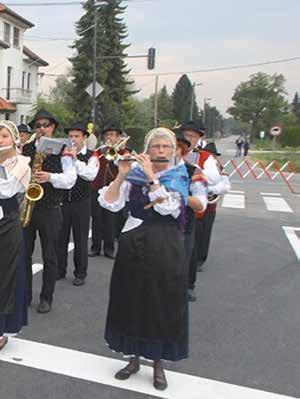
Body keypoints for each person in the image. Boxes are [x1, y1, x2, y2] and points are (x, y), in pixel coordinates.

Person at [98, 127, 190, 391]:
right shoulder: (134, 175)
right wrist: (122, 175)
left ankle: (158, 363)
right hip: (133, 243)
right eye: (155, 147)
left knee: (160, 303)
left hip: (165, 246)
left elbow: (169, 208)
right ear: (147, 150)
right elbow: (110, 202)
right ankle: (132, 358)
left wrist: (151, 176)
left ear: (173, 151)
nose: (160, 152)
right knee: (131, 300)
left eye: (165, 148)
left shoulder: (178, 175)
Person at [22, 109, 77, 314]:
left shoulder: (64, 149)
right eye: (38, 125)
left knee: (50, 255)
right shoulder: (26, 148)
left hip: (51, 209)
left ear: (53, 127)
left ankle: (46, 297)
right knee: (24, 255)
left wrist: (50, 177)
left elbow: (70, 179)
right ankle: (25, 295)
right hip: (29, 206)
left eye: (46, 125)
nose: (42, 128)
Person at [0, 120, 31, 349]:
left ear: (13, 140)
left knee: (5, 276)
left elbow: (7, 189)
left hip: (8, 224)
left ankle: (2, 329)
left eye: (4, 136)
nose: (0, 140)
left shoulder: (22, 163)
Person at [57, 122, 99, 286]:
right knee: (61, 237)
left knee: (80, 238)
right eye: (71, 136)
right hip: (64, 201)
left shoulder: (92, 155)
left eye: (77, 136)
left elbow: (90, 175)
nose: (73, 139)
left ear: (85, 138)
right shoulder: (63, 154)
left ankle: (80, 273)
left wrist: (75, 159)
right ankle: (60, 270)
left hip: (82, 201)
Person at [189, 143, 230, 299]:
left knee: (204, 233)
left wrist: (208, 189)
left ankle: (200, 259)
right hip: (194, 204)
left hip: (208, 205)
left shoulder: (217, 165)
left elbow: (225, 185)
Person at [89, 125, 123, 259]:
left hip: (112, 191)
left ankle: (109, 248)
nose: (110, 137)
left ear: (118, 137)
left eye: (113, 135)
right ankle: (95, 247)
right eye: (107, 135)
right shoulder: (99, 151)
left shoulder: (124, 152)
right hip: (97, 189)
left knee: (110, 220)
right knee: (96, 219)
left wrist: (115, 155)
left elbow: (123, 166)